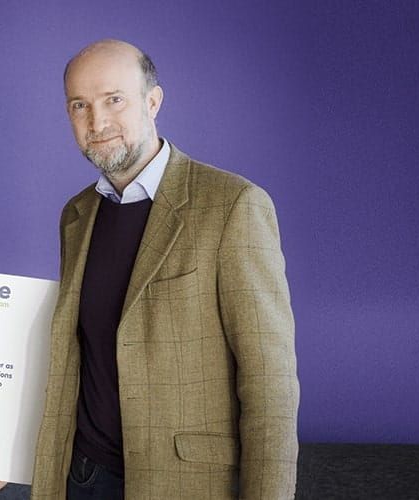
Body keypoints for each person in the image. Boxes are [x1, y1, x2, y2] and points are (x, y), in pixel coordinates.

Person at [26, 40, 300, 499]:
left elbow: (269, 383)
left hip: (186, 483)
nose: (97, 122)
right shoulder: (76, 215)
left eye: (114, 99)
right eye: (80, 105)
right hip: (83, 478)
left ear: (153, 101)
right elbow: (72, 358)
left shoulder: (232, 205)